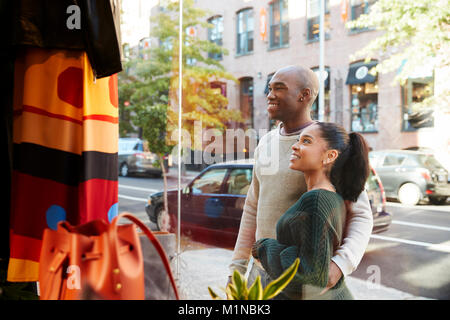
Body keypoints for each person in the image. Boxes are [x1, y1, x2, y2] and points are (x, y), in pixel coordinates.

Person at [228, 65, 373, 295]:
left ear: (304, 95)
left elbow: (361, 214)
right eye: (269, 88)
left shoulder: (326, 145)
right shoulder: (265, 142)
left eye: (279, 88)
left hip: (298, 281)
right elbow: (252, 209)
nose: (270, 94)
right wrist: (237, 269)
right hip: (260, 274)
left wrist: (340, 265)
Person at [251, 122, 370, 299]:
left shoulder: (317, 200)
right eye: (298, 140)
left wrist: (264, 247)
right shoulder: (325, 196)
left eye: (306, 141)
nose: (295, 145)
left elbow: (310, 278)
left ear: (330, 156)